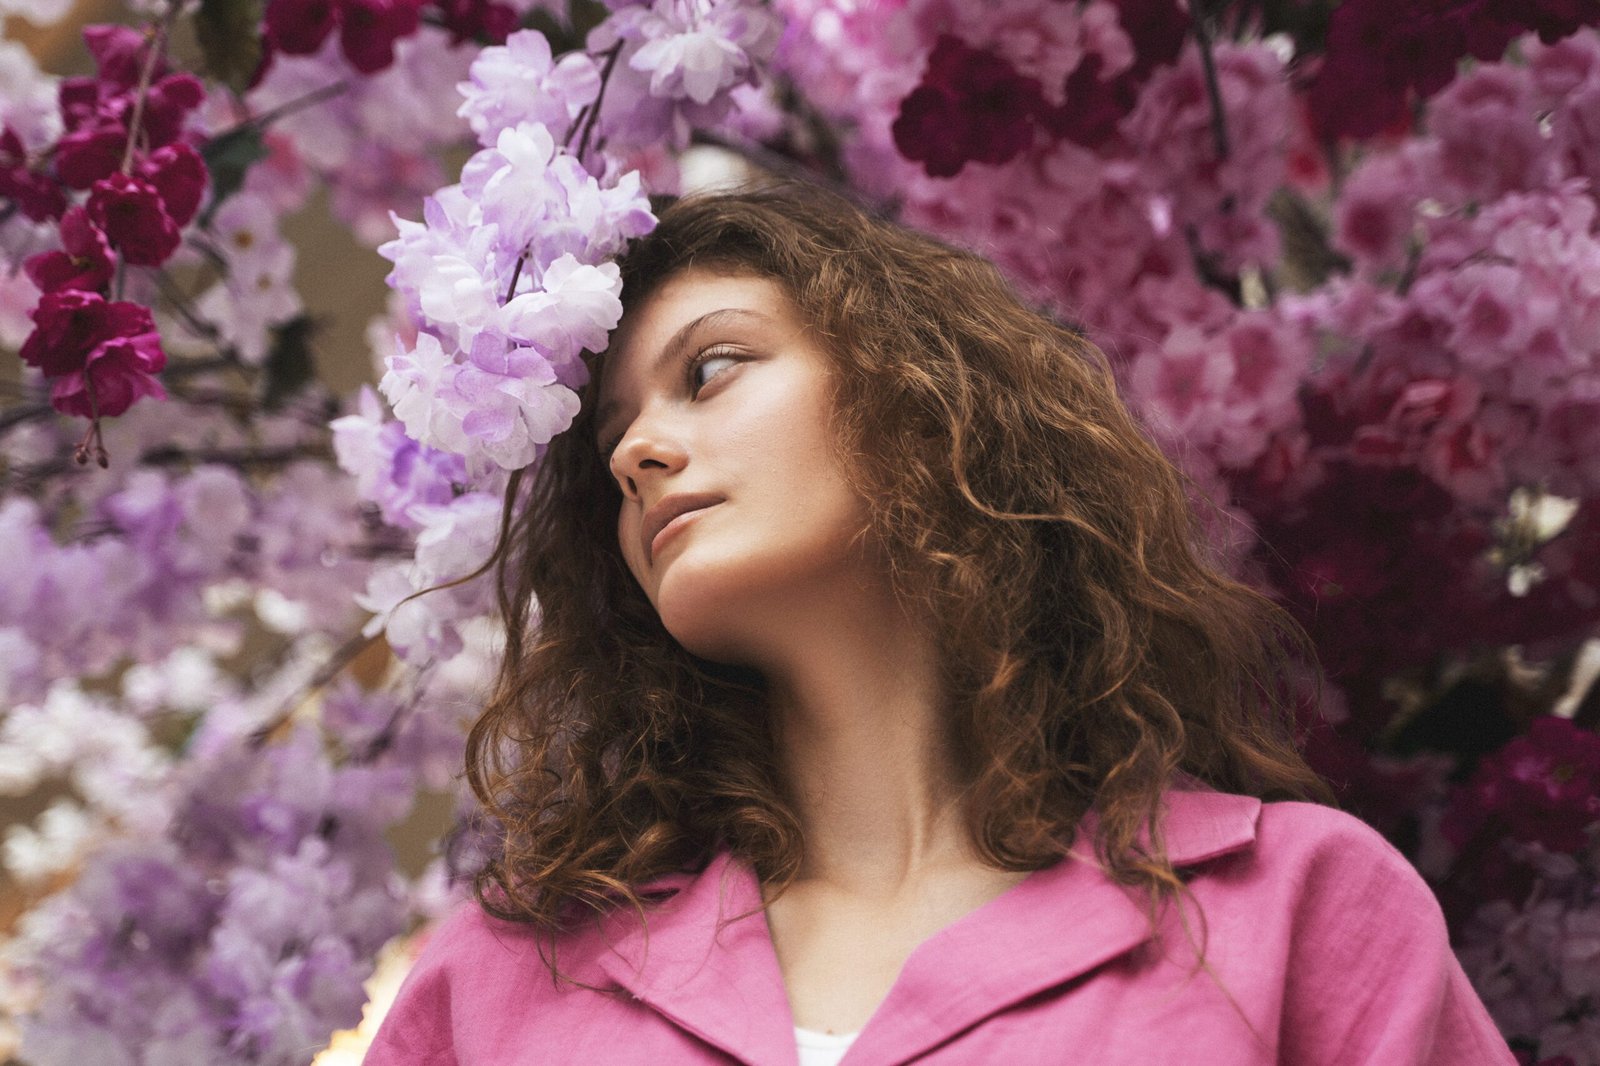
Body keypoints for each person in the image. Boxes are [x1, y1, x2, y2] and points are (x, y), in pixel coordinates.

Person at [363, 183, 1516, 1065]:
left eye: (710, 370)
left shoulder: (1295, 909)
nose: (636, 451)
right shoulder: (503, 975)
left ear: (919, 401)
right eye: (615, 439)